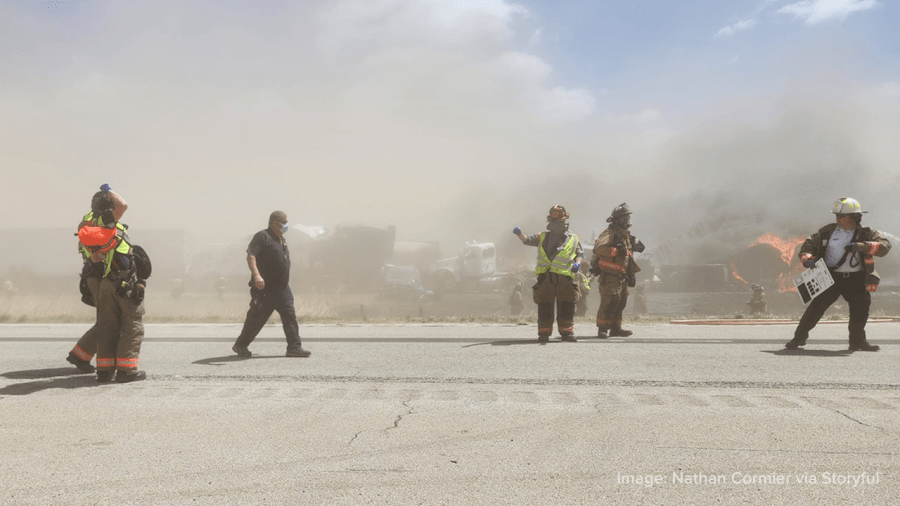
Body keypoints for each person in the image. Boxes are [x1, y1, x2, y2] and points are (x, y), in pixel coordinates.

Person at [785, 197, 891, 352]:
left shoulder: (867, 233)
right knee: (815, 309)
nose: (837, 218)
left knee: (860, 311)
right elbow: (808, 245)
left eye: (841, 216)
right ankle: (798, 339)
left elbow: (885, 246)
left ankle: (858, 342)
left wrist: (862, 246)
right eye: (836, 215)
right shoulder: (827, 231)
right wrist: (808, 260)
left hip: (856, 279)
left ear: (854, 217)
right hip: (831, 278)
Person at [66, 184, 128, 374]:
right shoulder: (104, 219)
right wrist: (108, 190)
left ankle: (80, 354)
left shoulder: (87, 221)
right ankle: (83, 357)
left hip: (93, 275)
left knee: (106, 320)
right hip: (102, 276)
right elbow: (123, 205)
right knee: (108, 322)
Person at [232, 211, 311, 357]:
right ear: (274, 222)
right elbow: (251, 256)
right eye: (284, 221)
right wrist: (257, 275)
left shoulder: (281, 238)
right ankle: (240, 345)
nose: (286, 224)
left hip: (282, 287)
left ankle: (294, 347)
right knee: (257, 319)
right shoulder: (262, 236)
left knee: (289, 316)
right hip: (265, 288)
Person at [513, 205, 583, 342]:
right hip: (546, 277)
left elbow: (579, 254)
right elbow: (527, 240)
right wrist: (519, 234)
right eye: (556, 222)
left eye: (561, 222)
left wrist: (578, 264)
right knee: (545, 304)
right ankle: (544, 333)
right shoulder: (542, 237)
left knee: (567, 304)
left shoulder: (573, 238)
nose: (559, 225)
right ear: (550, 222)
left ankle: (567, 332)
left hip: (565, 278)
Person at [590, 203, 644, 338]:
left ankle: (616, 328)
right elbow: (599, 248)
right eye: (624, 218)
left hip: (622, 276)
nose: (627, 221)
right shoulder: (609, 233)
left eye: (628, 218)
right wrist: (616, 251)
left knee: (621, 302)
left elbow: (628, 257)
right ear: (616, 219)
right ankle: (603, 328)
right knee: (609, 302)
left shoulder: (625, 236)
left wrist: (631, 274)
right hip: (609, 276)